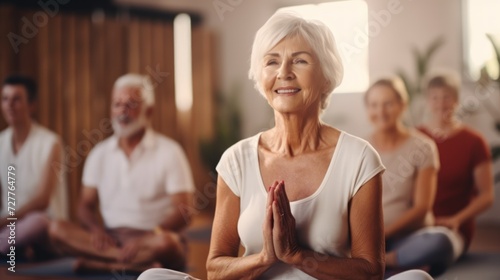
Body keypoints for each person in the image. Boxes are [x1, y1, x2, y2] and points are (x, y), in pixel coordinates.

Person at [139, 12, 433, 280]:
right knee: (152, 279)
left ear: (326, 76)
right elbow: (215, 269)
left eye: (300, 60)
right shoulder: (236, 159)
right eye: (272, 61)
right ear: (261, 76)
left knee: (416, 279)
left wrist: (298, 255)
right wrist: (266, 258)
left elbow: (370, 271)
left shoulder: (358, 158)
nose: (284, 72)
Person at [49, 74, 195, 273]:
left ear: (149, 111)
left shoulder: (170, 151)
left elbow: (184, 210)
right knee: (57, 229)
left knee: (167, 244)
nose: (122, 111)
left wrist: (148, 237)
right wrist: (96, 230)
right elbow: (84, 205)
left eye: (131, 104)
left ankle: (102, 264)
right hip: (111, 240)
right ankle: (131, 265)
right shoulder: (99, 153)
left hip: (154, 238)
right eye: (117, 104)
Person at [365, 78, 461, 276]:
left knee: (444, 241)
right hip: (365, 238)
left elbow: (421, 208)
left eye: (388, 104)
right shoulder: (360, 148)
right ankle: (399, 268)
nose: (381, 112)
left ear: (403, 105)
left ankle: (384, 263)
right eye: (374, 105)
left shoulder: (423, 147)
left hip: (407, 238)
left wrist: (382, 236)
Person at [418, 73, 494, 267]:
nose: (441, 104)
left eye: (447, 97)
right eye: (435, 97)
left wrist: (456, 219)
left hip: (454, 228)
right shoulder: (416, 137)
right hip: (417, 225)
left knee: (437, 246)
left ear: (457, 101)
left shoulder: (474, 141)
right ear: (428, 101)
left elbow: (487, 196)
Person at [0, 75, 67, 260]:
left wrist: (5, 220)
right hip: (10, 225)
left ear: (32, 105)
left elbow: (42, 201)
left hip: (43, 224)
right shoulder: (1, 142)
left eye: (16, 99)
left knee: (37, 222)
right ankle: (17, 246)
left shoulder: (50, 143)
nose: (9, 105)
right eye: (5, 99)